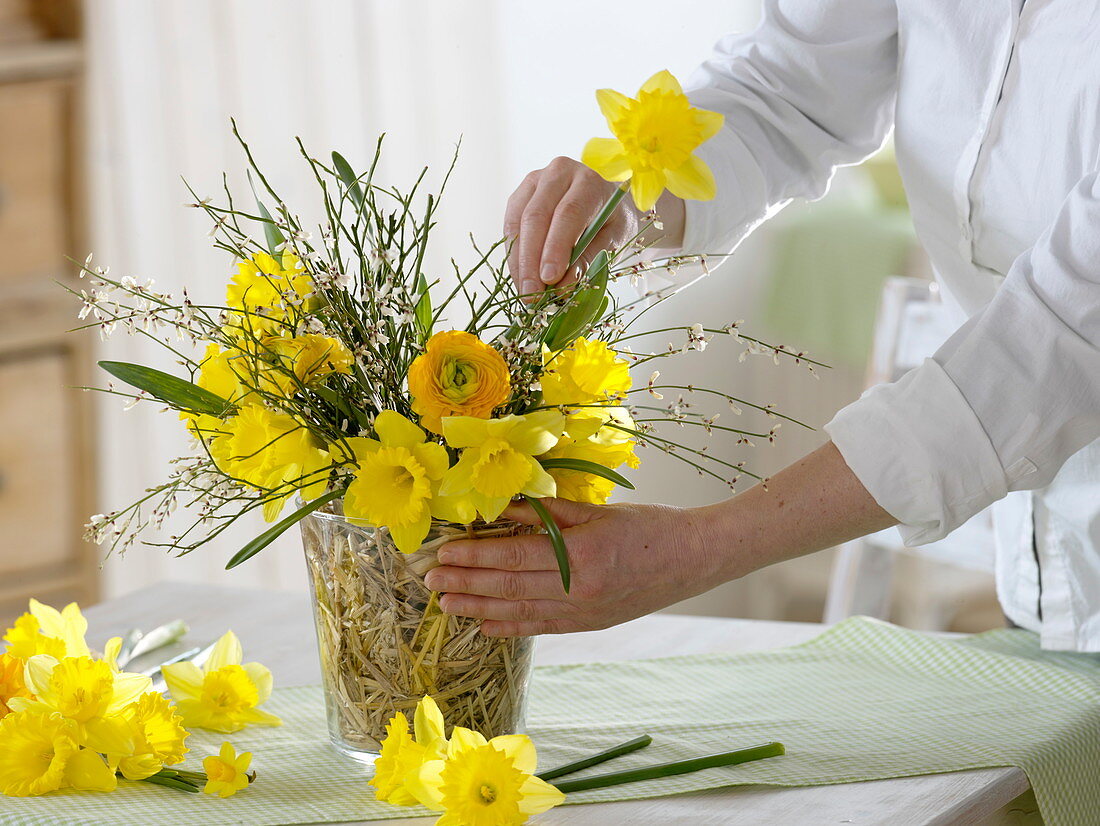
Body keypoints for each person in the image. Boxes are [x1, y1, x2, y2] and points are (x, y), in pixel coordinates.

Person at [422, 1, 1100, 651]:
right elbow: (790, 91)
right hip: (1041, 583)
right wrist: (633, 194)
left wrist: (695, 550)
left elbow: (1056, 342)